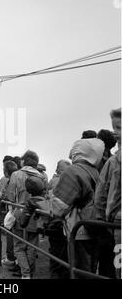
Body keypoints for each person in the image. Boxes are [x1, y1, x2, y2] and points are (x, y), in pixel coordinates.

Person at [52, 138, 105, 277]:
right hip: (96, 225)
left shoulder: (73, 171)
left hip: (78, 230)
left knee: (78, 270)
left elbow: (59, 208)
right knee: (91, 269)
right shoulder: (96, 170)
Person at [6, 150, 45, 279]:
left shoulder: (16, 175)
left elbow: (10, 195)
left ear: (24, 161)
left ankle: (26, 273)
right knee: (32, 246)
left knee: (19, 246)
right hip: (36, 214)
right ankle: (30, 272)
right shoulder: (42, 176)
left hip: (20, 213)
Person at [95, 108, 121, 279]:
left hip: (118, 222)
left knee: (120, 268)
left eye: (119, 128)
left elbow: (103, 196)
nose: (115, 133)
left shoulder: (115, 161)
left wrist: (107, 217)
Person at [47, 159, 71, 279]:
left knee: (57, 252)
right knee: (61, 252)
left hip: (56, 222)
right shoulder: (58, 181)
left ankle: (57, 273)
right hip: (59, 222)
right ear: (59, 170)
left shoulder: (52, 181)